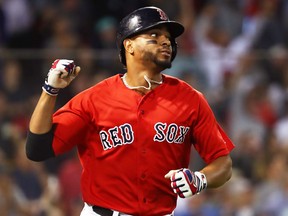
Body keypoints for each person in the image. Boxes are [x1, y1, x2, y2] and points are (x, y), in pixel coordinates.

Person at [25, 6, 234, 216]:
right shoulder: (94, 99)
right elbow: (37, 148)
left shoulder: (191, 100)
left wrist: (201, 179)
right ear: (129, 45)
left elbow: (223, 163)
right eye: (154, 35)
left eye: (168, 38)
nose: (165, 41)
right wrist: (50, 91)